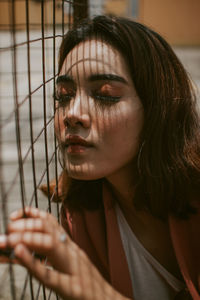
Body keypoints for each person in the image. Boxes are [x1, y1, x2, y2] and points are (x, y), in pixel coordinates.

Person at [0, 15, 200, 300]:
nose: (71, 113)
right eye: (63, 96)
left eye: (105, 95)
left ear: (158, 110)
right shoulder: (80, 216)